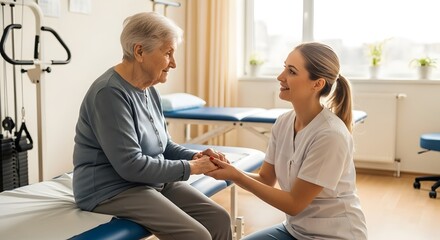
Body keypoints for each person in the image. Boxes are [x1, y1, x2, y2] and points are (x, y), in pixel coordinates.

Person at [72, 12, 232, 240]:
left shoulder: (149, 90)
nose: (174, 63)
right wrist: (193, 168)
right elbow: (130, 165)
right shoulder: (109, 93)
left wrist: (196, 157)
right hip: (110, 189)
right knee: (195, 236)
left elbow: (163, 145)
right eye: (168, 53)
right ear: (139, 52)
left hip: (147, 181)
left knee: (218, 218)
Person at [207, 42, 368, 240]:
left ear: (317, 84)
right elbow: (266, 179)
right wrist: (228, 169)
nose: (280, 77)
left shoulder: (330, 135)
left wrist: (236, 176)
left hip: (334, 235)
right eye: (284, 67)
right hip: (295, 230)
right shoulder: (284, 122)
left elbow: (294, 204)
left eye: (291, 71)